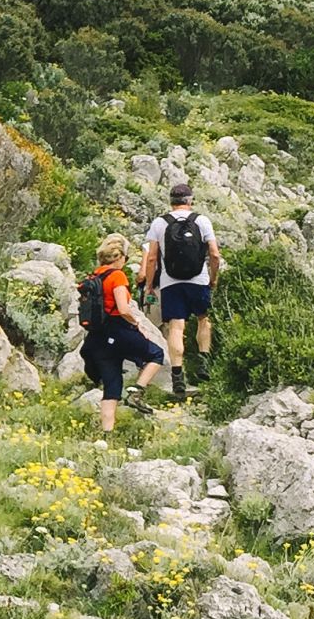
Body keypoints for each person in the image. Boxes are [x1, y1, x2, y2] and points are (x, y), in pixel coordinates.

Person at [140, 181, 222, 400]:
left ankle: (178, 378)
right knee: (204, 319)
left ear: (171, 202)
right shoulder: (202, 221)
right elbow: (214, 254)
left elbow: (152, 258)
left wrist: (149, 285)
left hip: (170, 282)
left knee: (176, 328)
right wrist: (213, 279)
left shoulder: (160, 223)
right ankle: (203, 363)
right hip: (199, 280)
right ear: (190, 200)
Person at [82, 234, 171, 434]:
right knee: (155, 354)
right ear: (119, 257)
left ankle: (107, 434)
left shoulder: (94, 276)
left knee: (111, 386)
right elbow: (123, 308)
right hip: (118, 328)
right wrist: (136, 321)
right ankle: (137, 392)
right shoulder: (117, 276)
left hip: (97, 336)